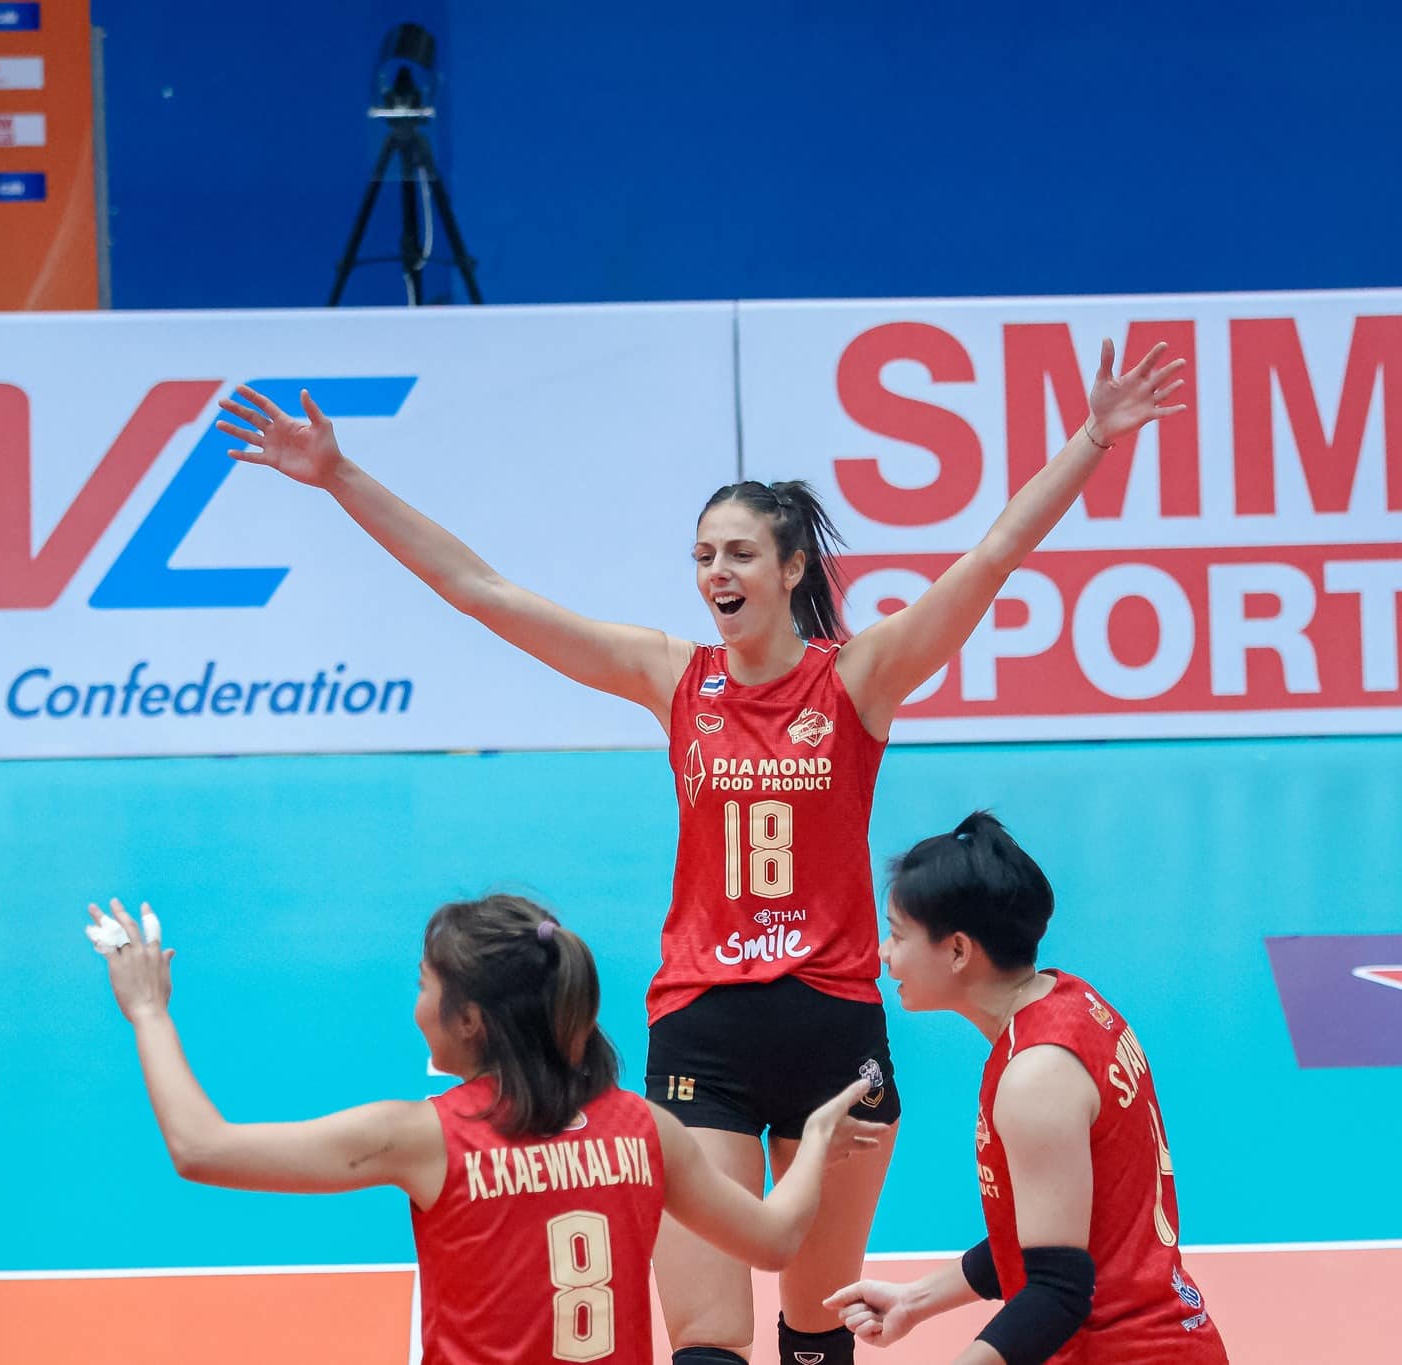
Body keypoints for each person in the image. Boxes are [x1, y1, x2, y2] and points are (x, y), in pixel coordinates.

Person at [213, 338, 1186, 1365]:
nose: (716, 572)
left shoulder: (857, 678)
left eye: (739, 554)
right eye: (703, 555)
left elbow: (989, 559)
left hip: (833, 1029)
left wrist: (1092, 438)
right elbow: (481, 589)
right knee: (709, 1341)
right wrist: (339, 476)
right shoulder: (673, 678)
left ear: (792, 568)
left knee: (817, 1332)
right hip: (702, 1028)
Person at [84, 894, 884, 1365]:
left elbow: (201, 1148)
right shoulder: (645, 1128)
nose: (415, 1005)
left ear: (470, 1019)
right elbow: (777, 1240)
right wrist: (812, 1142)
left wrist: (148, 1011)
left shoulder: (425, 1137)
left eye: (423, 985)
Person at [828, 813, 1229, 1365]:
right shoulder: (1072, 1003)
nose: (883, 952)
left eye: (897, 935)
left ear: (958, 951)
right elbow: (1049, 1233)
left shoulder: (1036, 1075)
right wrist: (915, 1301)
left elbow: (1057, 1292)